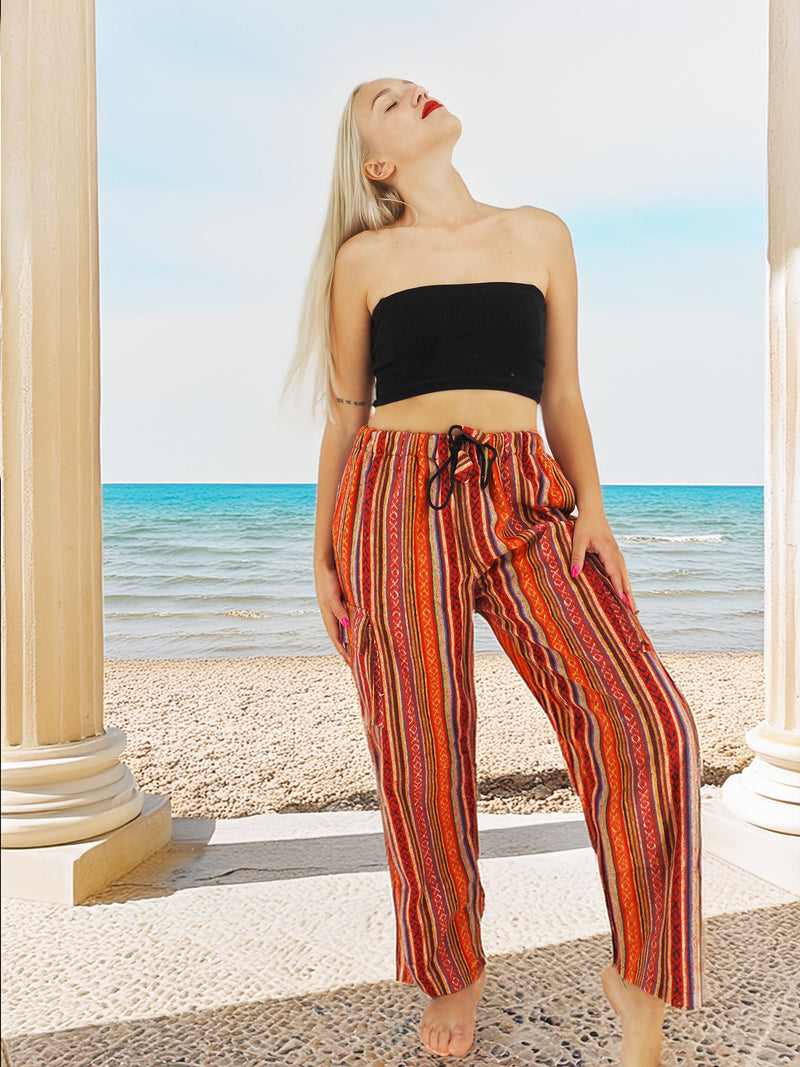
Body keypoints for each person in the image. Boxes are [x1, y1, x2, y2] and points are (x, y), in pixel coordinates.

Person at [281, 76, 705, 1065]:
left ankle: (637, 981)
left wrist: (591, 507)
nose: (408, 92)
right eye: (382, 103)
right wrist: (321, 547)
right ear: (375, 166)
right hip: (390, 492)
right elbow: (345, 414)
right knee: (417, 744)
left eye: (406, 86)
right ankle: (451, 965)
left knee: (648, 719)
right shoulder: (363, 258)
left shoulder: (538, 233)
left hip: (523, 488)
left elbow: (559, 389)